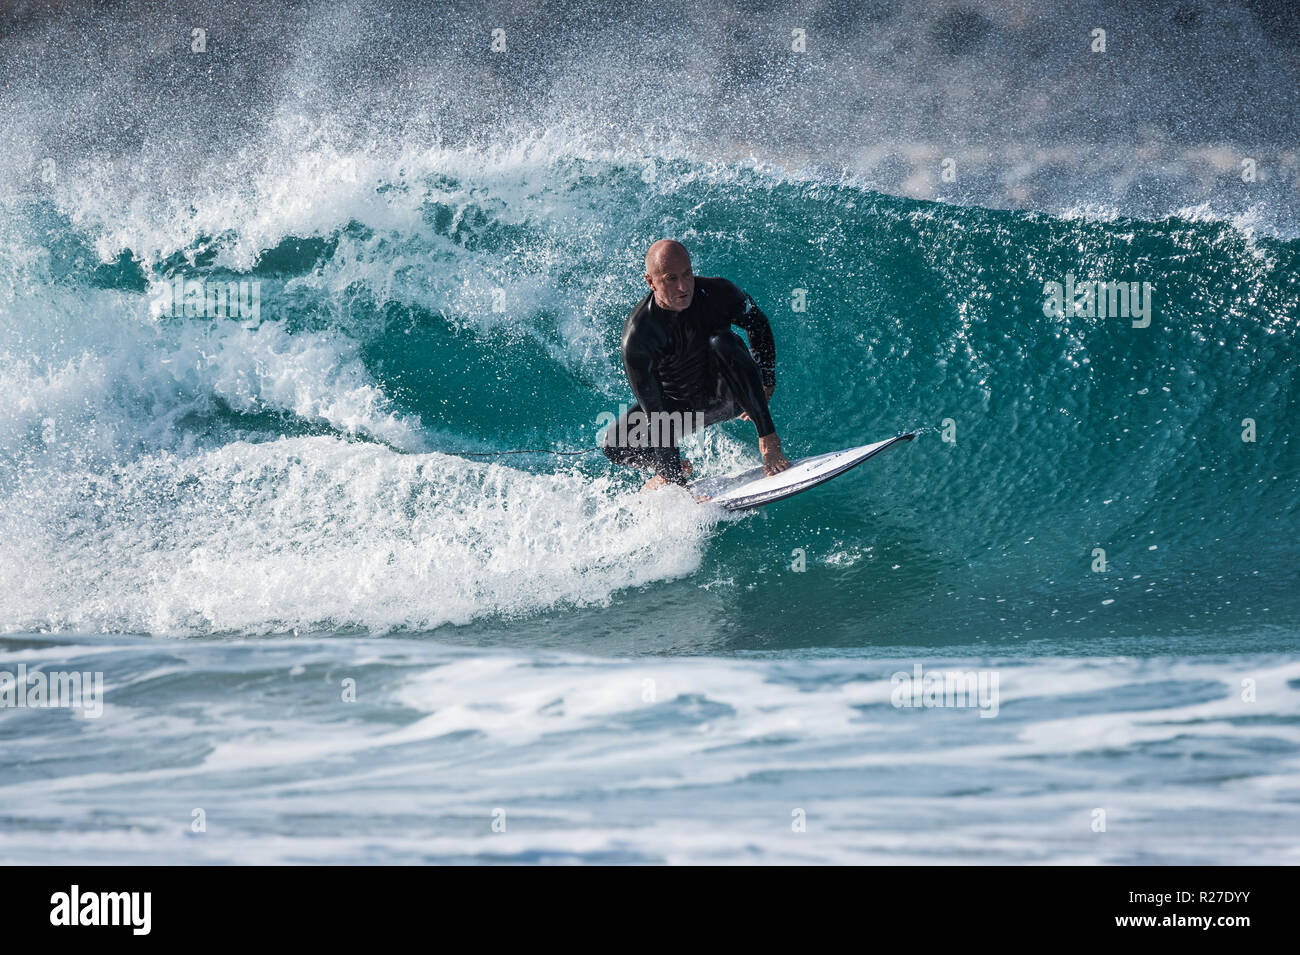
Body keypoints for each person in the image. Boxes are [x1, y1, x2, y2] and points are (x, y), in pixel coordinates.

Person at [600, 239, 791, 490]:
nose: (683, 287)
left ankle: (769, 441)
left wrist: (766, 381)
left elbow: (759, 326)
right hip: (681, 407)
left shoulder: (720, 293)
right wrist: (677, 483)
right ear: (650, 282)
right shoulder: (638, 337)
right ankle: (671, 471)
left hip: (728, 396)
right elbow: (656, 414)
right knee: (614, 444)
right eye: (670, 278)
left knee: (722, 341)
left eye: (687, 274)